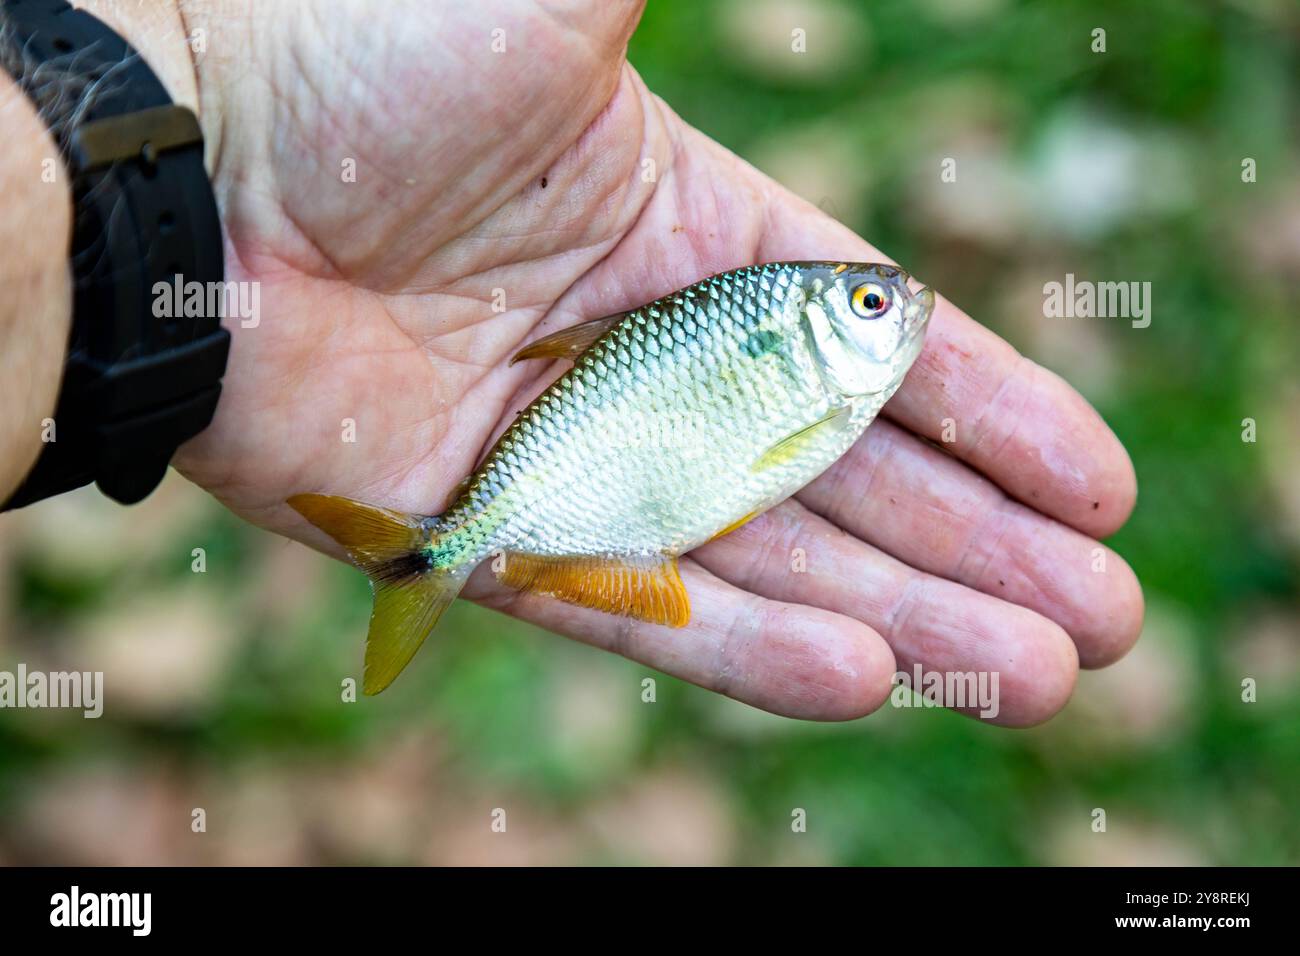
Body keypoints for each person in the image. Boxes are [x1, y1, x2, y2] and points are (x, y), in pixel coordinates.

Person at [0, 0, 1142, 725]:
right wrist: (206, 84)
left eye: (873, 298)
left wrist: (203, 83)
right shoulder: (808, 372)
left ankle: (428, 559)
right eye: (866, 298)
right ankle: (429, 560)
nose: (898, 305)